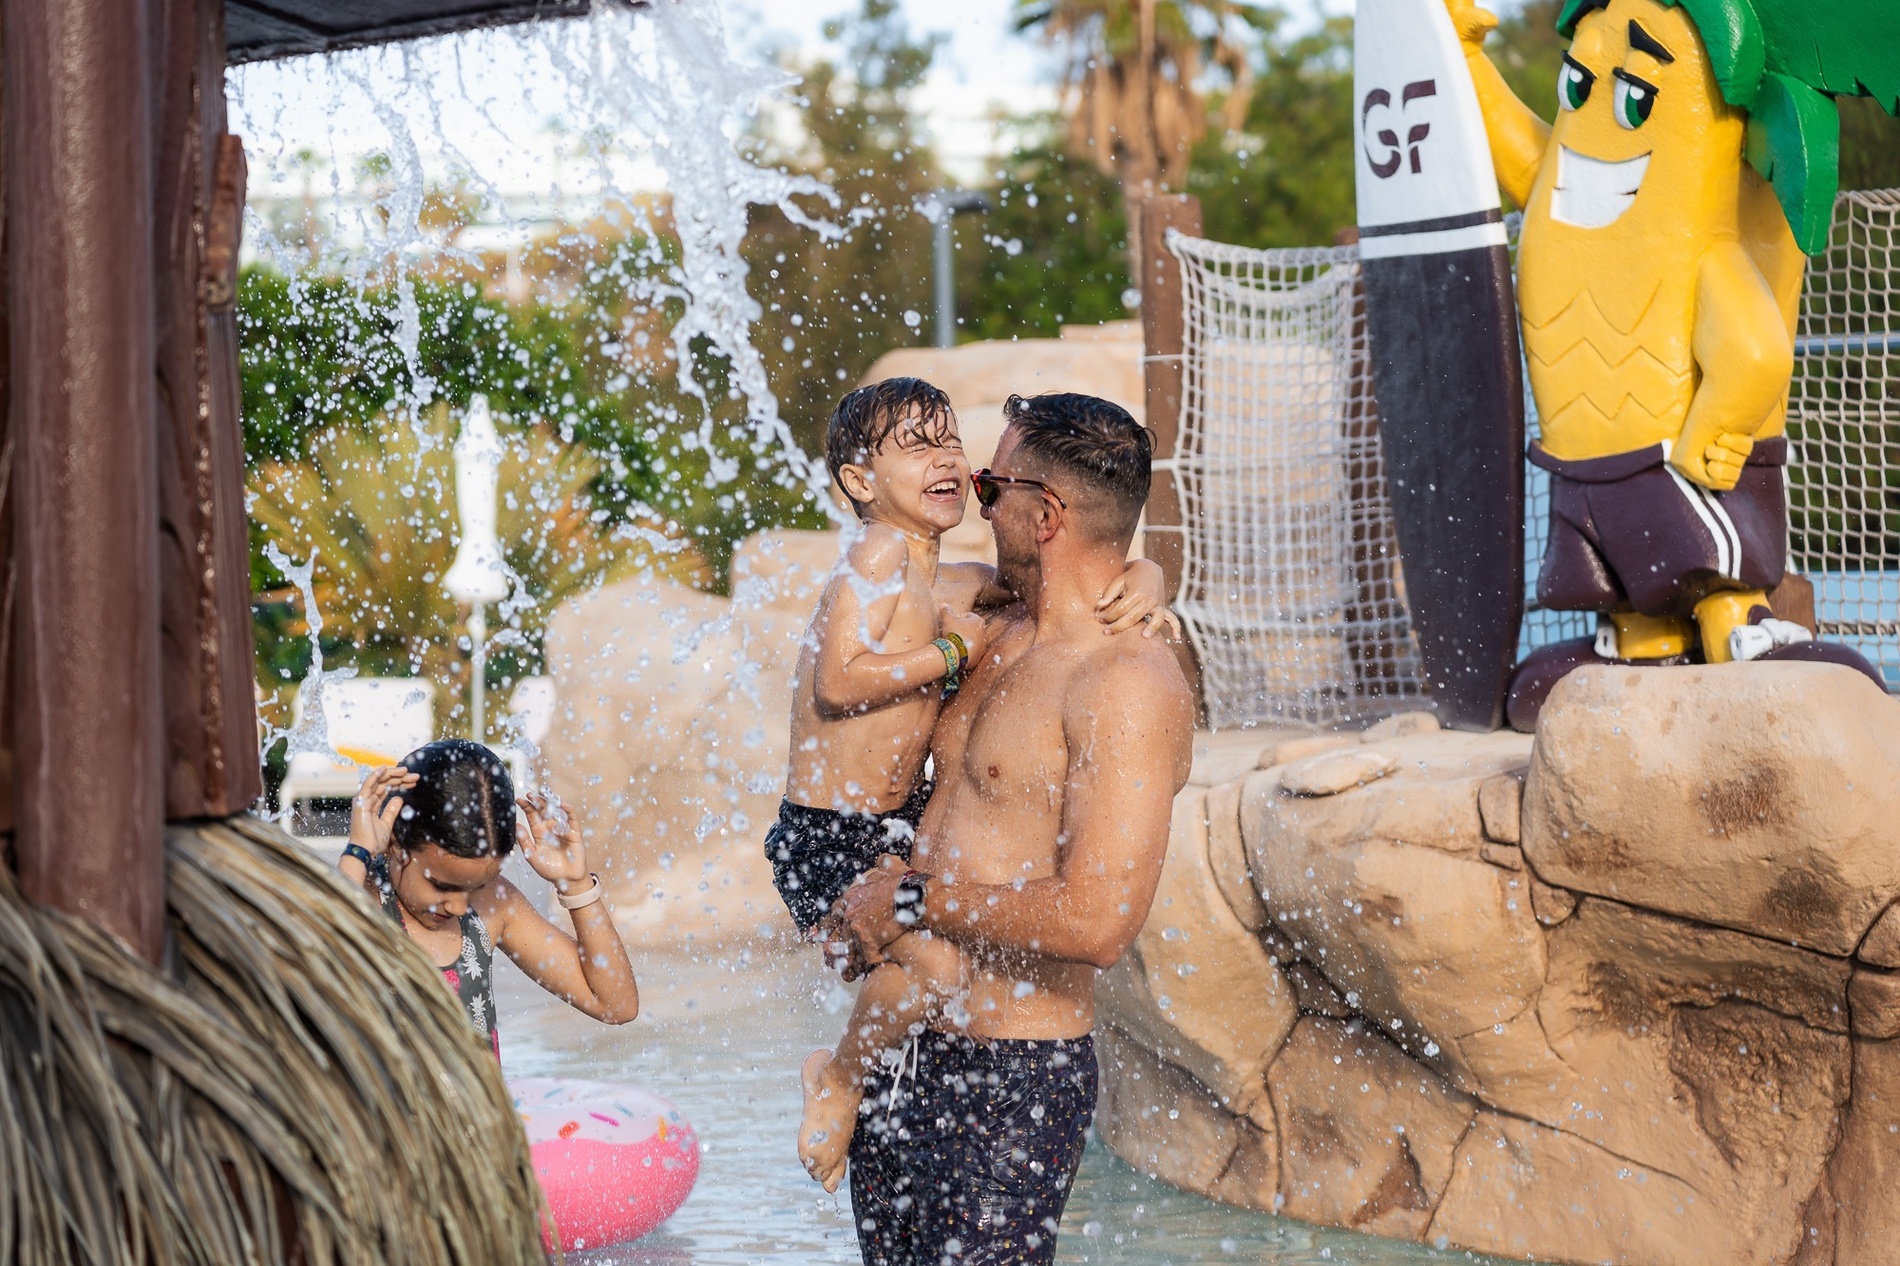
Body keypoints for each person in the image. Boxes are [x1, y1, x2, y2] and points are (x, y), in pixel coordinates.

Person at [775, 378, 1175, 1191]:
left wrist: (1150, 575)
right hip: (884, 981)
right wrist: (958, 654)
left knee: (929, 967)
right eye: (928, 452)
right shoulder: (932, 590)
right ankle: (846, 1073)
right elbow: (844, 674)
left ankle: (844, 1072)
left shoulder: (1113, 672)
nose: (973, 494)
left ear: (1046, 515)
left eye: (986, 481)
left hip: (1011, 1070)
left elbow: (1100, 924)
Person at [340, 739, 639, 1054]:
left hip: (481, 1106)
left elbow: (615, 1004)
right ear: (395, 844)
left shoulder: (493, 906)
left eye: (476, 886)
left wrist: (576, 884)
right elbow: (324, 972)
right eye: (441, 885)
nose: (457, 906)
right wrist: (356, 854)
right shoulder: (362, 901)